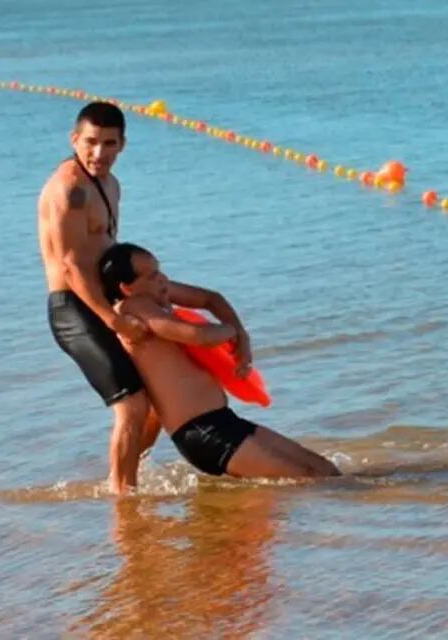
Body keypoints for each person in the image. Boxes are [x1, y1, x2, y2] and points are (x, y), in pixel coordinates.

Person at [38, 101, 253, 494]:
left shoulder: (110, 185)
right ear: (74, 140)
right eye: (90, 142)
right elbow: (70, 264)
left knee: (154, 401)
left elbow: (106, 252)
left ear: (122, 145)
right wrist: (113, 319)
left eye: (109, 143)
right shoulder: (70, 190)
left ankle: (129, 476)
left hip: (106, 302)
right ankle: (124, 500)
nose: (99, 153)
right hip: (76, 309)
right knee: (132, 406)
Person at [99, 242, 340, 480]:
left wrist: (242, 336)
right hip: (202, 433)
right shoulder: (134, 308)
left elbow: (211, 299)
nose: (163, 279)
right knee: (310, 480)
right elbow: (199, 336)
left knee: (326, 471)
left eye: (160, 270)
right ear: (127, 288)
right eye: (153, 275)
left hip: (223, 420)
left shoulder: (154, 295)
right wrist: (231, 332)